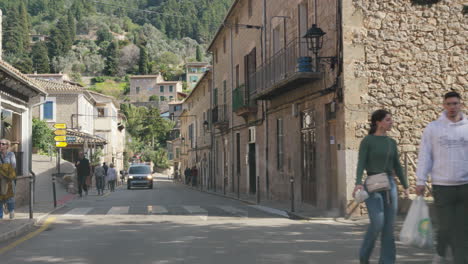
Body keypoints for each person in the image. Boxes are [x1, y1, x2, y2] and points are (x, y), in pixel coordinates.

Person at [415, 91, 468, 264]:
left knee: (461, 228)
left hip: (464, 185)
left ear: (460, 105)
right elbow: (425, 155)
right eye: (449, 104)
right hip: (442, 185)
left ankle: (460, 259)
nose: (452, 107)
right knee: (445, 226)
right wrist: (420, 180)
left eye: (455, 104)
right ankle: (440, 251)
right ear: (443, 105)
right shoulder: (433, 128)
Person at [353, 109, 409, 264]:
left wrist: (405, 185)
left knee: (389, 227)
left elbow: (397, 165)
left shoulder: (391, 142)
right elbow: (361, 163)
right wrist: (358, 182)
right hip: (372, 184)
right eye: (388, 120)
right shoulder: (368, 141)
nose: (391, 122)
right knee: (377, 222)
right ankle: (364, 256)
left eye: (391, 120)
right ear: (378, 122)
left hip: (390, 185)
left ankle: (387, 261)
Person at [0, 139, 16, 219]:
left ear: (7, 145)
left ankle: (11, 211)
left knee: (10, 197)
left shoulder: (11, 154)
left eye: (3, 144)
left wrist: (3, 170)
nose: (1, 145)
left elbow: (13, 166)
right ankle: (0, 217)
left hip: (8, 179)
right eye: (0, 143)